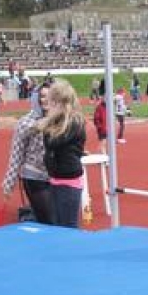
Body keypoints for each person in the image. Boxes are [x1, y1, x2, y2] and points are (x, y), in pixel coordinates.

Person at [39, 80, 88, 228]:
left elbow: (54, 142)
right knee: (57, 225)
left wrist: (48, 121)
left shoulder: (74, 121)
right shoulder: (57, 121)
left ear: (59, 102)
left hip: (69, 182)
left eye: (51, 101)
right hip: (55, 178)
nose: (48, 104)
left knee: (68, 226)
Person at [1, 86, 52, 224]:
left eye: (50, 95)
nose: (45, 99)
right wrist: (9, 183)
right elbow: (16, 153)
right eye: (42, 96)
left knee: (56, 219)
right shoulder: (25, 123)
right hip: (35, 177)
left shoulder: (59, 120)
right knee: (48, 219)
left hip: (56, 177)